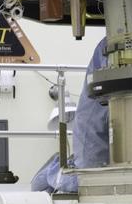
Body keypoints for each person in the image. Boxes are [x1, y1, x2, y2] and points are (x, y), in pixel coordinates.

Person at [31, 37, 110, 192]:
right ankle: (53, 171)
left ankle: (63, 167)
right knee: (82, 181)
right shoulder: (108, 46)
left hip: (107, 135)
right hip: (96, 136)